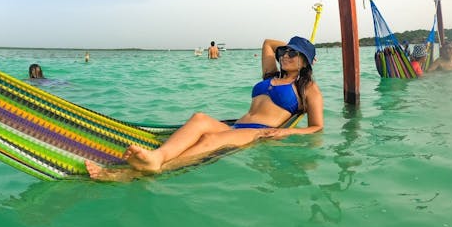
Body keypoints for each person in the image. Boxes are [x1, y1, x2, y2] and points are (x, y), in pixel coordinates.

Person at [86, 36, 324, 181]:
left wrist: (287, 132)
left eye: (294, 54)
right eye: (286, 52)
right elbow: (268, 44)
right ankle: (157, 157)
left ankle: (134, 173)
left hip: (258, 132)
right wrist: (298, 48)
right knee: (199, 118)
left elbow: (317, 126)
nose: (286, 55)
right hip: (237, 125)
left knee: (210, 139)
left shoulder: (308, 88)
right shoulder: (270, 75)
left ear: (305, 61)